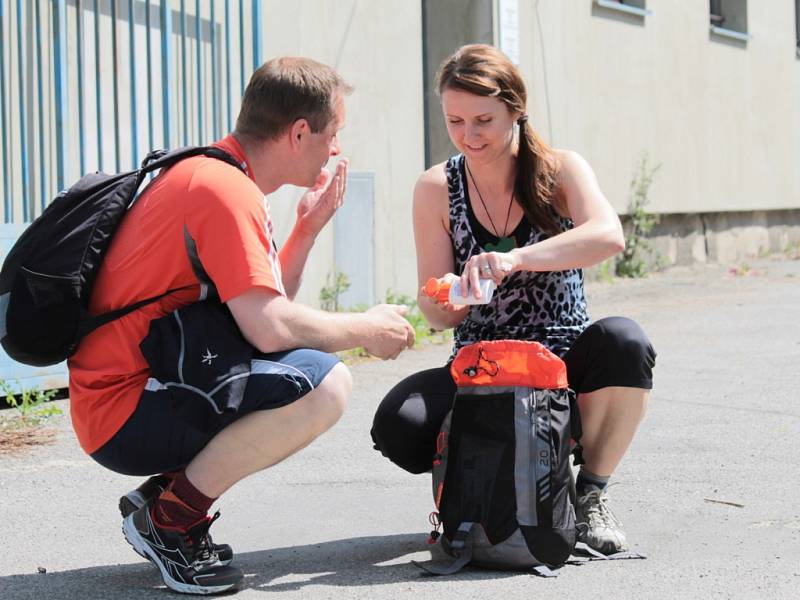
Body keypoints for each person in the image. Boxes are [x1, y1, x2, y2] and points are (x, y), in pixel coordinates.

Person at [67, 57, 415, 595]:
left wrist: (306, 227)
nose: (337, 148)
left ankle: (162, 498)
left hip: (132, 390)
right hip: (125, 406)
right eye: (334, 133)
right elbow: (271, 329)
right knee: (325, 385)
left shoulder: (215, 175)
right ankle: (170, 521)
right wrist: (365, 328)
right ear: (299, 132)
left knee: (305, 370)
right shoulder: (225, 192)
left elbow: (266, 313)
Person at [370, 44, 656, 556]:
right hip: (481, 365)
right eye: (455, 121)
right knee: (399, 424)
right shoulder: (437, 187)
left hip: (562, 361)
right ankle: (487, 477)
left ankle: (589, 491)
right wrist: (455, 294)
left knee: (625, 341)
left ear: (516, 110)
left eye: (483, 120)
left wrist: (514, 259)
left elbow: (609, 235)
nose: (469, 136)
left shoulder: (559, 169)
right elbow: (436, 311)